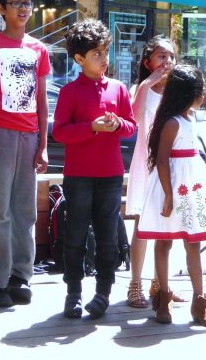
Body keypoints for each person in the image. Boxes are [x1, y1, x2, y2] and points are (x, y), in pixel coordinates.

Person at [52, 19, 136, 318]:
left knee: (107, 236)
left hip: (111, 174)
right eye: (96, 53)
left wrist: (117, 124)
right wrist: (92, 127)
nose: (104, 58)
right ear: (79, 58)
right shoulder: (69, 92)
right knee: (75, 235)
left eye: (105, 51)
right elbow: (60, 132)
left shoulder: (118, 88)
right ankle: (73, 292)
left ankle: (103, 293)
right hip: (79, 175)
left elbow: (131, 127)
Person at [0, 0, 50, 307]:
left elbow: (42, 100)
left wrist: (43, 144)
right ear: (2, 9)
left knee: (25, 211)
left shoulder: (38, 48)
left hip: (29, 135)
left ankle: (21, 276)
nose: (23, 9)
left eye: (27, 3)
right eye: (16, 3)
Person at [137, 64, 206, 329]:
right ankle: (163, 297)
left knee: (193, 241)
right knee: (163, 240)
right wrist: (168, 194)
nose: (203, 95)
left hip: (190, 185)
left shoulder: (190, 118)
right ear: (188, 94)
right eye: (200, 91)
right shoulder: (172, 123)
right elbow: (162, 160)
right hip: (171, 186)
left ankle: (200, 301)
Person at [124, 35, 187, 309]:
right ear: (148, 62)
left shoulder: (178, 90)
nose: (168, 61)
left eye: (171, 56)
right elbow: (133, 119)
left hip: (172, 163)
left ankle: (160, 283)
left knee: (167, 223)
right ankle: (135, 284)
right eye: (162, 56)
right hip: (146, 162)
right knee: (141, 223)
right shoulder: (141, 87)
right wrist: (146, 85)